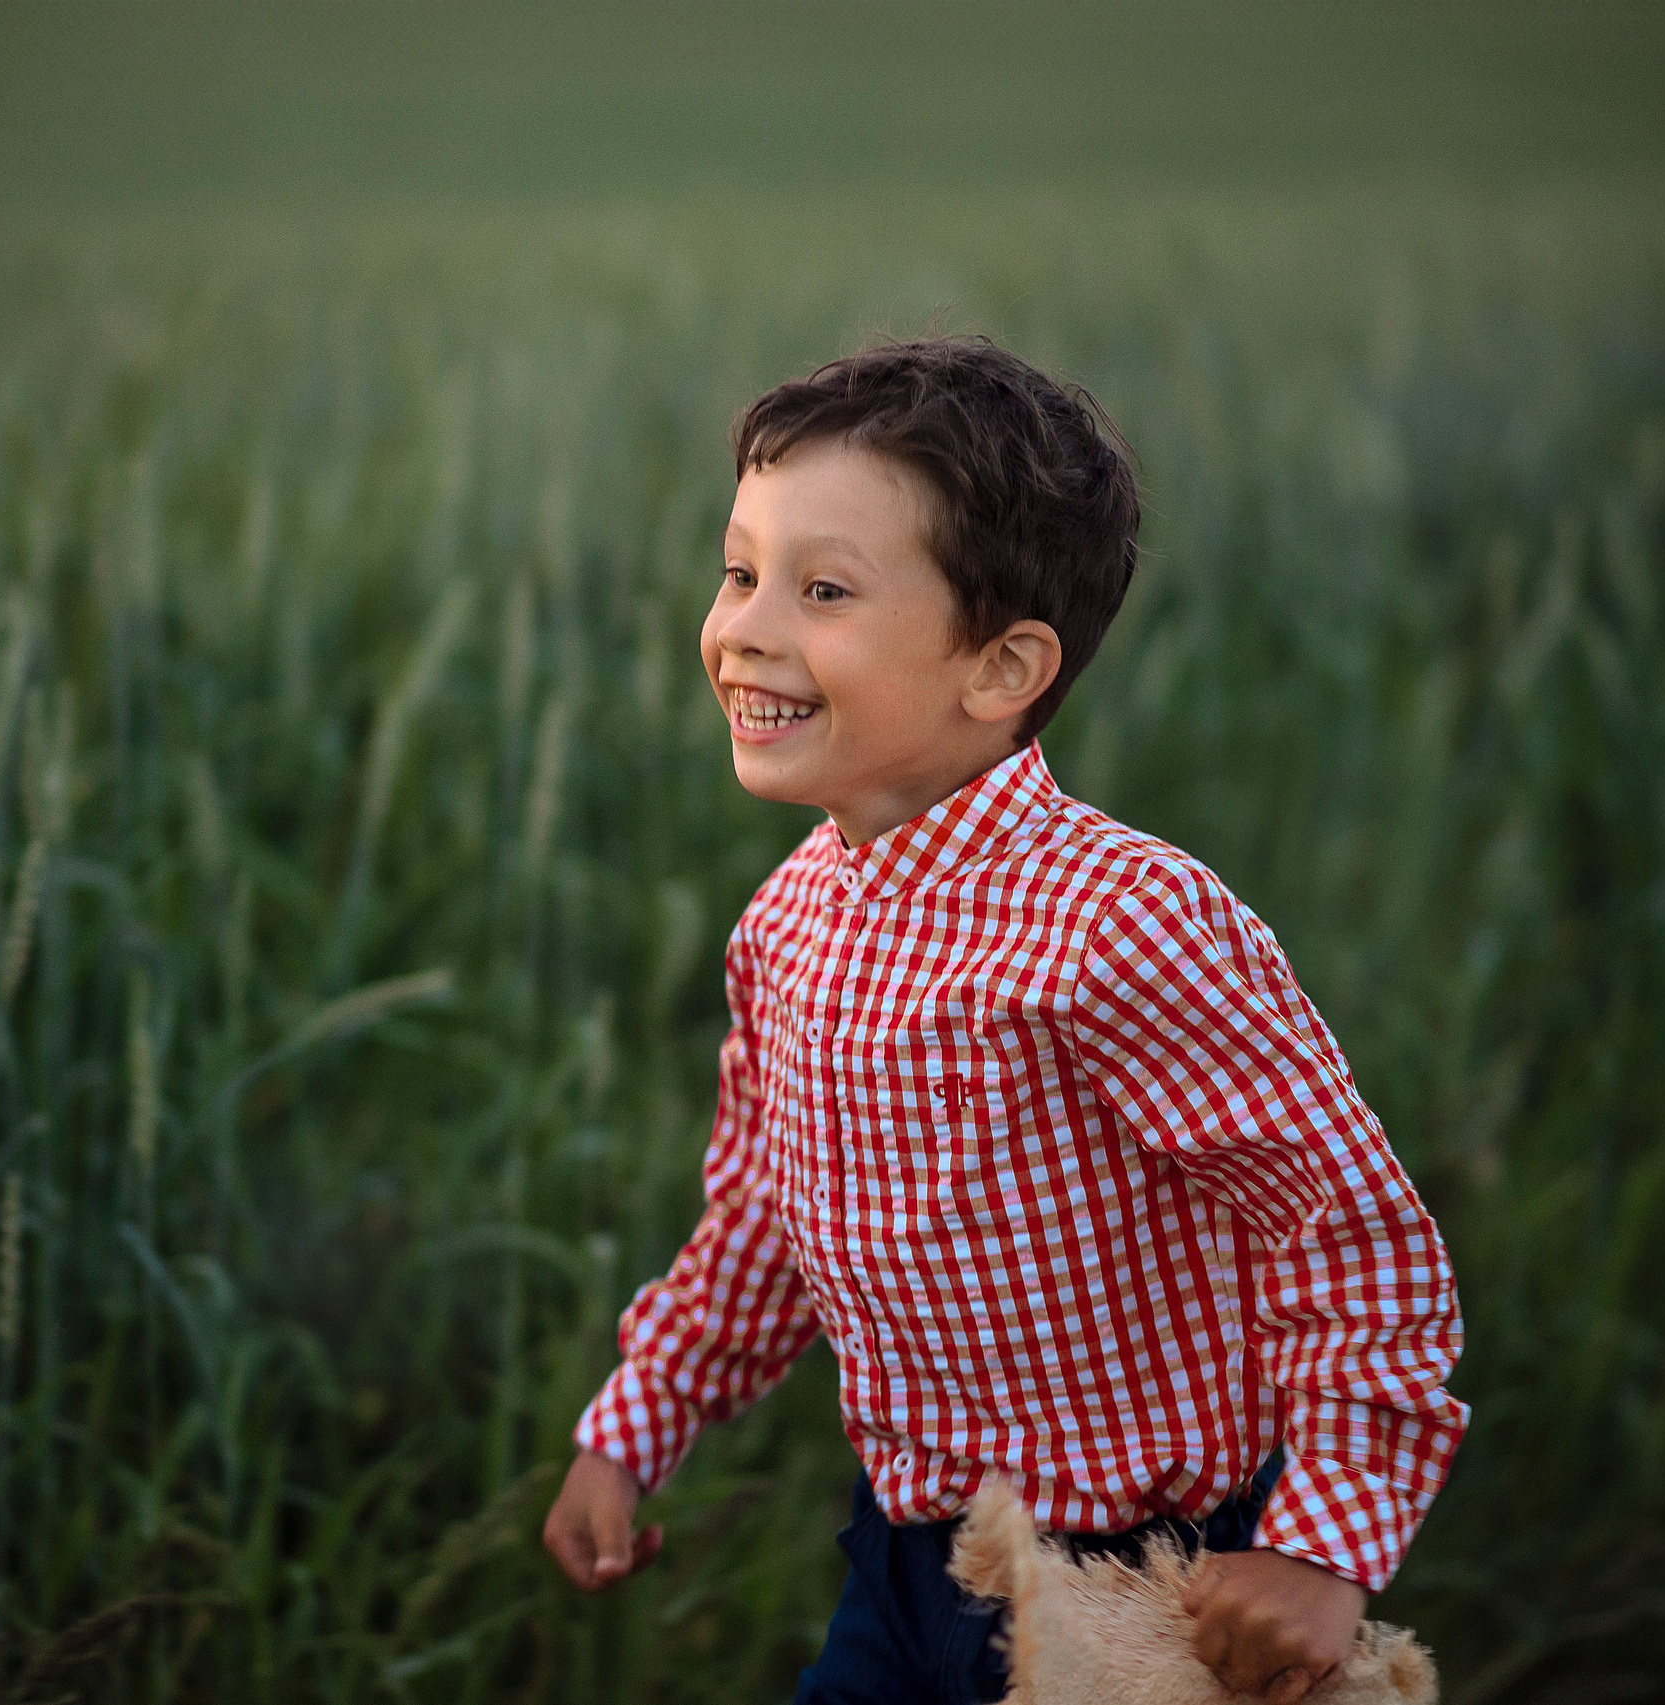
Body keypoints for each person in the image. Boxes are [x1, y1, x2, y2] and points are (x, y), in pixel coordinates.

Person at [540, 337, 1466, 1705]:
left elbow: (1341, 1229)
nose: (743, 627)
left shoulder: (1120, 921)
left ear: (1001, 667)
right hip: (913, 1561)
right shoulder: (788, 924)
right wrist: (636, 1424)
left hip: (1148, 1584)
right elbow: (762, 1220)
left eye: (823, 589)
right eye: (740, 572)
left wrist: (1319, 1547)